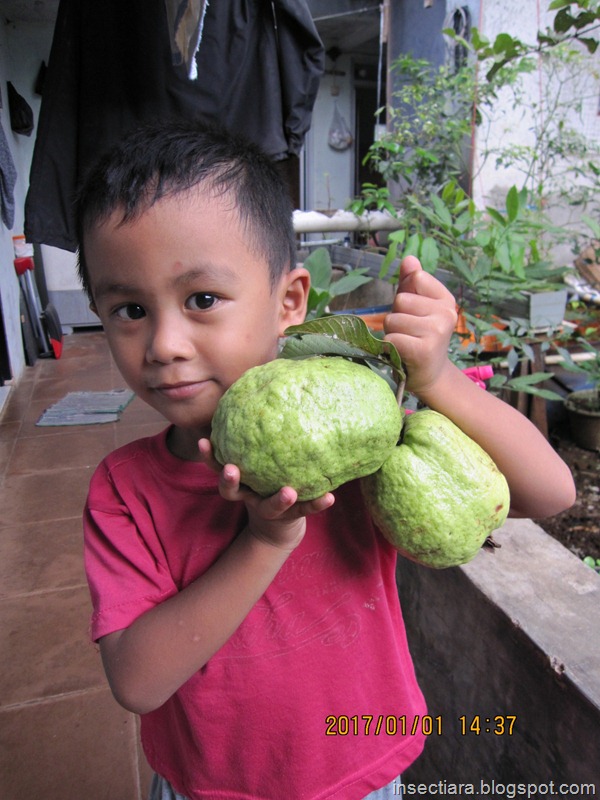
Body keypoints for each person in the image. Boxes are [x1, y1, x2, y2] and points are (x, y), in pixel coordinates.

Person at [77, 120, 576, 800]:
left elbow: (551, 493)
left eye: (201, 300)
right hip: (211, 787)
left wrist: (435, 379)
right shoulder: (125, 490)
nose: (164, 343)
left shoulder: (356, 438)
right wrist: (264, 540)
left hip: (360, 773)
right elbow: (137, 681)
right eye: (130, 309)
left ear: (289, 302)